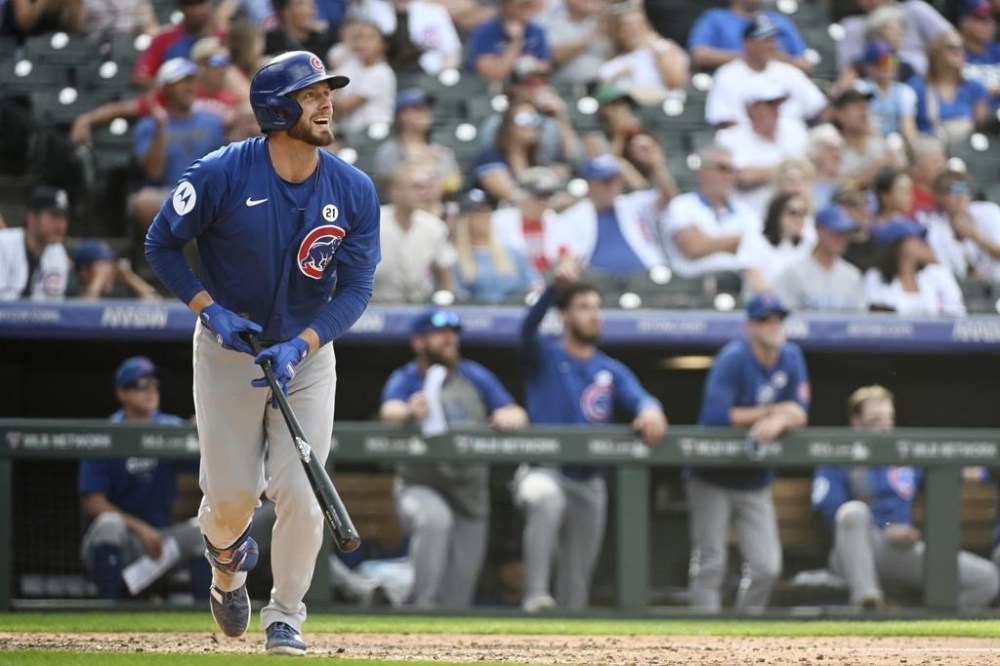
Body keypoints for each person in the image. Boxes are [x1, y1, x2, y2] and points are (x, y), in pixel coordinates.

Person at [144, 51, 381, 655]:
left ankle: (287, 614)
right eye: (311, 95)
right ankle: (226, 563)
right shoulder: (221, 172)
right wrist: (207, 307)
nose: (326, 102)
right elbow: (161, 243)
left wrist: (303, 344)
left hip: (305, 354)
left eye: (327, 91)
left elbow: (355, 288)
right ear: (278, 109)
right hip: (230, 349)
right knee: (231, 500)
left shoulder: (353, 188)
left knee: (303, 487)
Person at [515, 258, 668, 612]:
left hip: (588, 478)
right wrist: (554, 289)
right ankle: (535, 597)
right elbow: (526, 329)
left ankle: (571, 624)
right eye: (584, 307)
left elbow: (640, 397)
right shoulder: (546, 355)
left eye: (598, 308)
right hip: (544, 469)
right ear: (565, 315)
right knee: (546, 498)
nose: (594, 315)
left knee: (578, 575)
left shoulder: (609, 368)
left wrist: (650, 409)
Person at [379, 309, 528, 609]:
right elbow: (389, 411)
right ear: (419, 342)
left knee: (458, 595)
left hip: (469, 492)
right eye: (440, 333)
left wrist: (506, 416)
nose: (450, 339)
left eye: (453, 332)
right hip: (421, 484)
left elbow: (517, 413)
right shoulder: (408, 377)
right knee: (435, 520)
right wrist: (409, 410)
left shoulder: (474, 374)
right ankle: (419, 611)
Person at [812, 384, 999, 609]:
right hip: (853, 551)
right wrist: (884, 527)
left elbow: (958, 469)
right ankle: (867, 605)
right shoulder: (837, 455)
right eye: (875, 421)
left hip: (899, 550)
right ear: (856, 422)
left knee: (985, 578)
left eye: (888, 420)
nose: (884, 427)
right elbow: (830, 510)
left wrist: (988, 469)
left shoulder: (904, 454)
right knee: (853, 512)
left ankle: (930, 634)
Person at [687, 292, 809, 612]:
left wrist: (783, 417)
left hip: (754, 478)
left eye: (778, 319)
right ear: (750, 326)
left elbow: (801, 409)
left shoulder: (791, 356)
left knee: (766, 567)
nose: (773, 326)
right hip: (711, 475)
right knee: (710, 562)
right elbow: (717, 416)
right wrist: (772, 411)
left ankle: (744, 635)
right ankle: (700, 643)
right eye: (765, 320)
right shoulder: (734, 357)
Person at [78, 357, 208, 601]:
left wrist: (198, 430)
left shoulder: (171, 427)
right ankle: (110, 610)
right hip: (122, 540)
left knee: (207, 533)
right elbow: (92, 501)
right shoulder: (108, 433)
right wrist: (142, 529)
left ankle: (202, 620)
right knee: (109, 523)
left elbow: (202, 464)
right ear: (122, 393)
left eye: (153, 383)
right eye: (141, 384)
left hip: (161, 543)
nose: (150, 390)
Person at [131, 58, 227, 233]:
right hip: (167, 194)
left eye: (192, 81)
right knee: (143, 202)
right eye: (182, 81)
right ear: (166, 88)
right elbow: (154, 172)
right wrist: (161, 126)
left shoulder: (213, 122)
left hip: (206, 195)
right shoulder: (149, 125)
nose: (190, 87)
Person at [546, 154, 670, 276]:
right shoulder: (571, 217)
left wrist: (656, 165)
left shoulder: (631, 204)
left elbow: (667, 198)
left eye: (616, 180)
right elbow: (568, 257)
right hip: (597, 282)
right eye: (606, 181)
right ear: (590, 185)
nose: (613, 185)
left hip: (647, 276)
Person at [372, 160, 457, 303]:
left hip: (418, 310)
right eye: (416, 187)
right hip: (371, 308)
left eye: (425, 187)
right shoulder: (371, 223)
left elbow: (446, 281)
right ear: (395, 191)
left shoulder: (434, 227)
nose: (423, 193)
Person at [863, 219, 967, 316]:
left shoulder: (938, 274)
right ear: (900, 245)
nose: (922, 243)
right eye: (915, 238)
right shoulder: (875, 277)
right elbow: (876, 317)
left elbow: (957, 314)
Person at [773, 204, 867, 312]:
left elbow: (858, 323)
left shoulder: (852, 275)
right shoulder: (794, 274)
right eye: (836, 233)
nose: (842, 239)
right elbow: (785, 319)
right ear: (819, 231)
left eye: (845, 234)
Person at [0, 186, 70, 301]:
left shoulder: (58, 252)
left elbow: (55, 309)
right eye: (54, 216)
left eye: (64, 218)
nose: (61, 225)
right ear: (31, 217)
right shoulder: (3, 244)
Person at [70, 239, 162, 300]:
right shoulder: (71, 294)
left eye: (111, 267)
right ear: (84, 272)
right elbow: (83, 312)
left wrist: (131, 278)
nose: (109, 272)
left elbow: (158, 307)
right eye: (103, 267)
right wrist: (99, 279)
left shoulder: (118, 298)